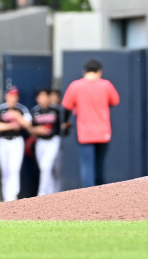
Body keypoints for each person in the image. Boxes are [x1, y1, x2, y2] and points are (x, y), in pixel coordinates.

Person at [62, 59, 120, 187]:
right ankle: (101, 195)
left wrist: (65, 123)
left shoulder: (76, 86)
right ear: (99, 71)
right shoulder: (106, 85)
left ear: (84, 71)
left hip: (85, 133)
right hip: (103, 132)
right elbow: (114, 101)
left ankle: (90, 198)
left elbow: (66, 107)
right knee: (100, 166)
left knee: (87, 166)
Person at [0, 87, 31, 202]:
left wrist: (17, 117)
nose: (13, 98)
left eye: (15, 96)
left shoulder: (21, 109)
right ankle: (6, 198)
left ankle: (12, 197)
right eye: (11, 95)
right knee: (5, 171)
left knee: (14, 170)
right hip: (3, 141)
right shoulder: (0, 109)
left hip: (17, 141)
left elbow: (28, 125)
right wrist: (11, 125)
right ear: (6, 96)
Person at [31, 89, 64, 196]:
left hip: (53, 140)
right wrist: (37, 129)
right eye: (41, 96)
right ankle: (51, 193)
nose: (43, 99)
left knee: (47, 166)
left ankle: (43, 193)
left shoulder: (56, 110)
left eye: (45, 96)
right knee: (44, 168)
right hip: (40, 141)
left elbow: (63, 125)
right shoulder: (35, 111)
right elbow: (30, 128)